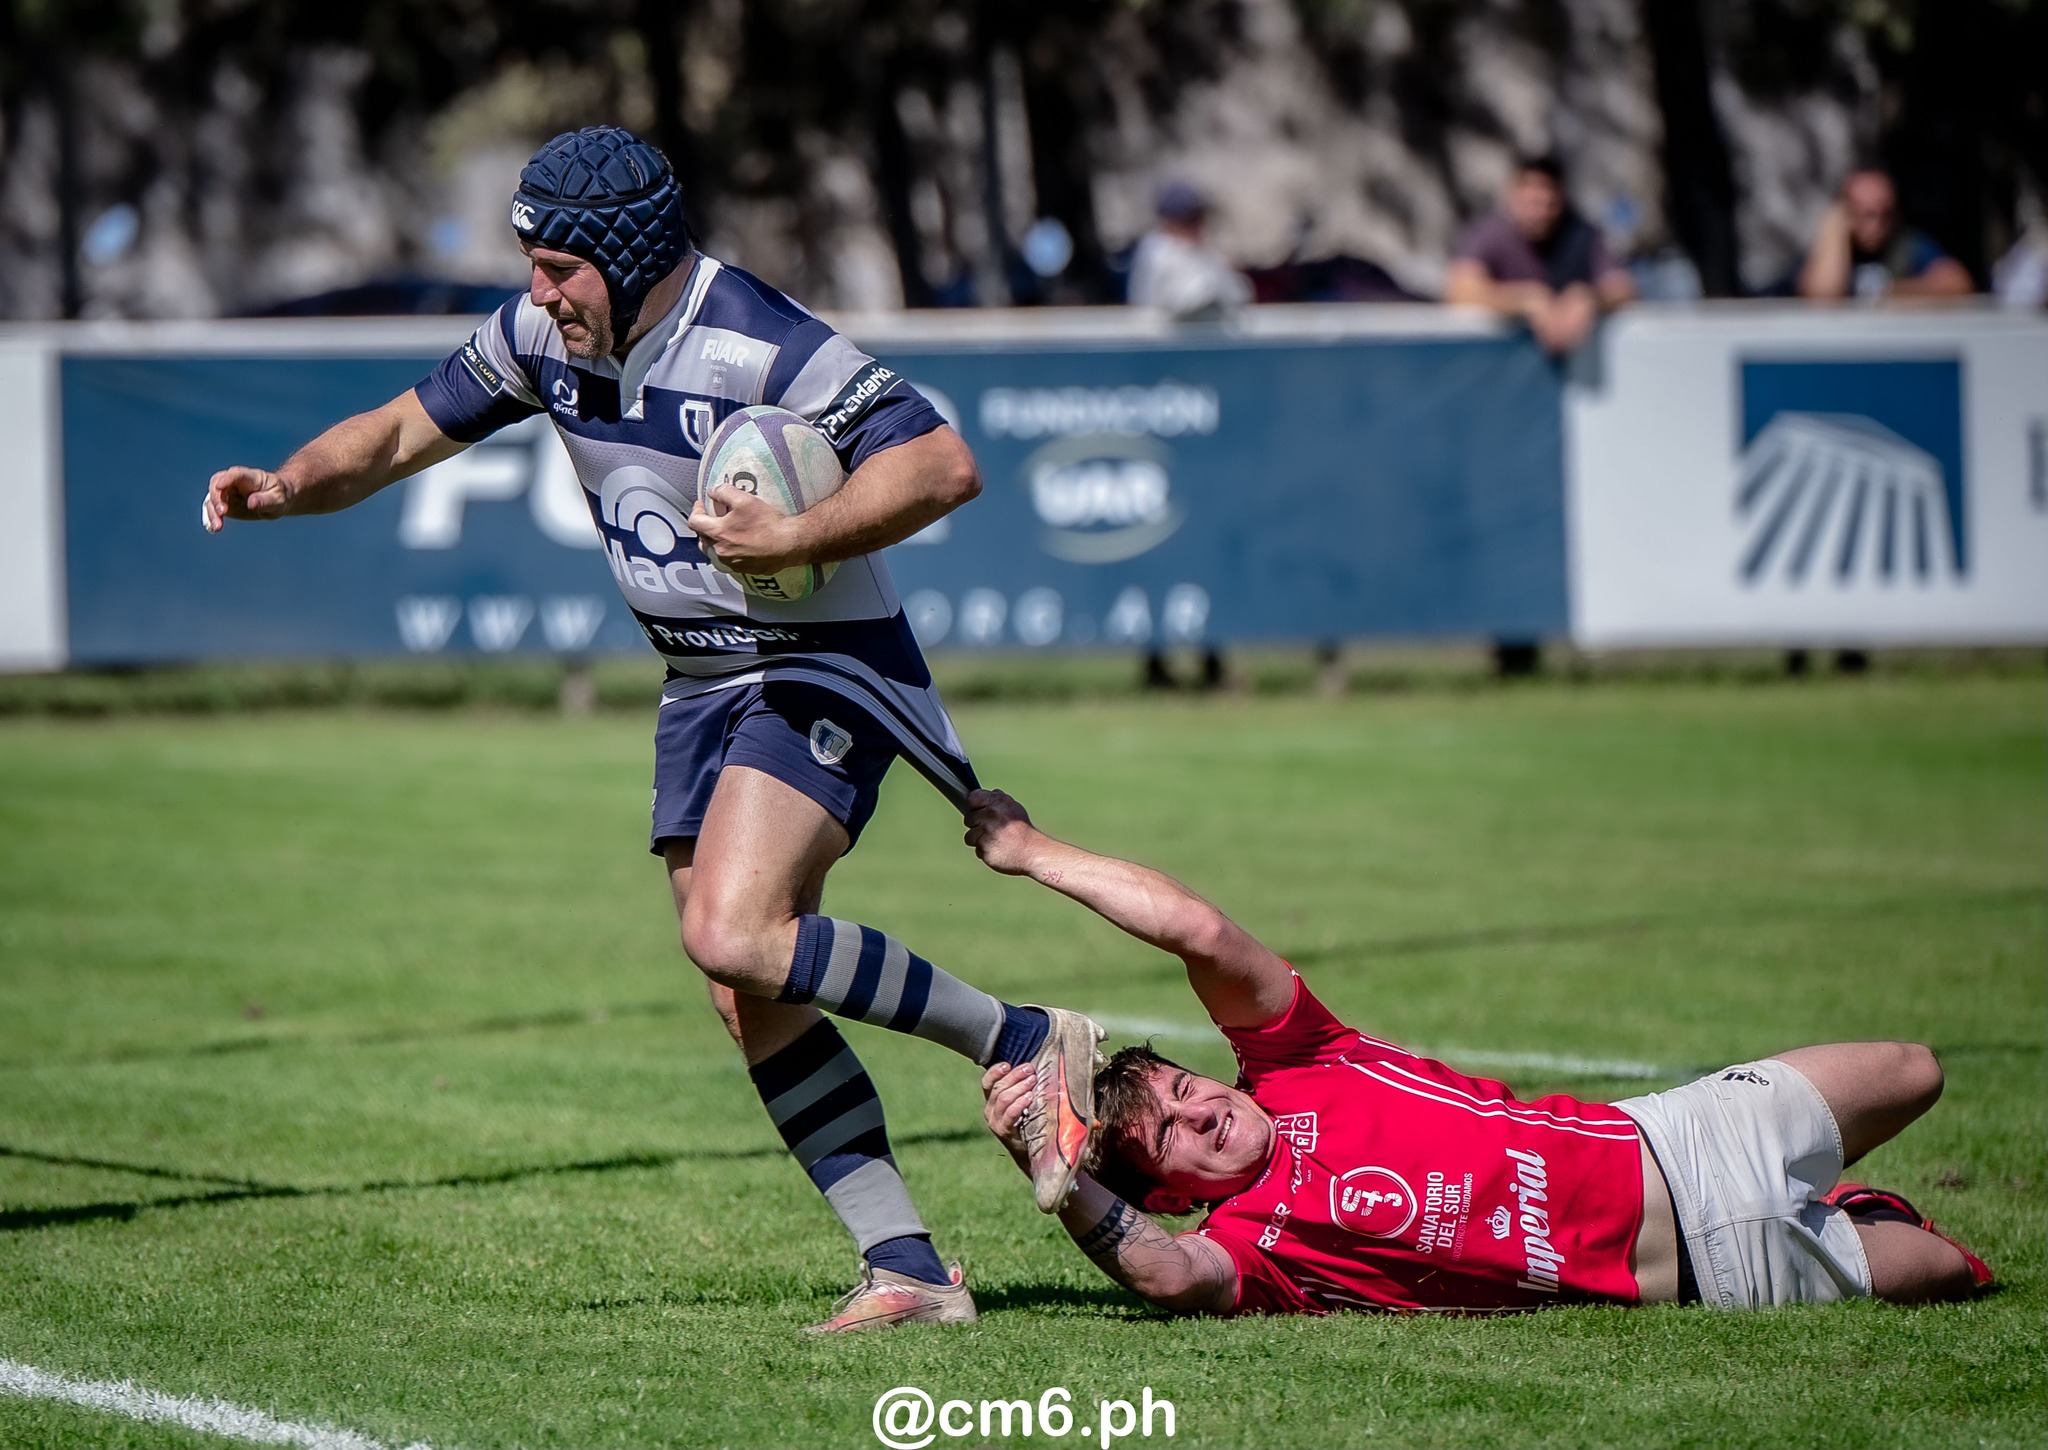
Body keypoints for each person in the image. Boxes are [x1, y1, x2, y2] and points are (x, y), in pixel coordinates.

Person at [200, 127, 1104, 1332]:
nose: (538, 290)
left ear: (628, 257)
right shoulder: (540, 341)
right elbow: (404, 429)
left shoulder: (758, 340)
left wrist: (793, 536)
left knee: (737, 930)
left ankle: (1028, 1040)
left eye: (560, 267)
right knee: (746, 986)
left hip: (818, 663)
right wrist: (287, 482)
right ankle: (910, 1270)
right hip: (699, 684)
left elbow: (941, 465)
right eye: (530, 263)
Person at [965, 788, 1994, 1316]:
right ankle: (1858, 1219)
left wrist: (1032, 853)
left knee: (1912, 1067)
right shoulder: (1254, 1245)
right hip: (1717, 1270)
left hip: (1681, 1132)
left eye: (1187, 1089)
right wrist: (1051, 1172)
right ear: (1178, 1192)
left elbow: (1196, 930)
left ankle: (1844, 1200)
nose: (1203, 1112)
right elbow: (1168, 1277)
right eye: (1177, 1137)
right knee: (1947, 1270)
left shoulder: (1297, 1060)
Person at [1445, 154, 1635, 355]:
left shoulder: (1583, 234)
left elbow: (1623, 289)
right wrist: (1525, 301)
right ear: (1513, 195)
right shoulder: (1489, 232)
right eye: (1533, 203)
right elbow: (1458, 291)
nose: (1540, 213)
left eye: (1549, 204)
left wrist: (1589, 298)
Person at [1798, 168, 1974, 301]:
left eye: (1886, 214)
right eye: (1868, 215)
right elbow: (1821, 297)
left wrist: (1895, 292)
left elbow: (1958, 282)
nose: (1878, 225)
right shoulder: (1829, 248)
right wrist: (1835, 228)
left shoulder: (1906, 244)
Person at [1126, 180, 1252, 317]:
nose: (1197, 226)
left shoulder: (1206, 252)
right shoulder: (1156, 250)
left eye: (1199, 218)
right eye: (1188, 220)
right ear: (1166, 222)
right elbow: (1186, 300)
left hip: (1206, 333)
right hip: (1162, 333)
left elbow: (1239, 295)